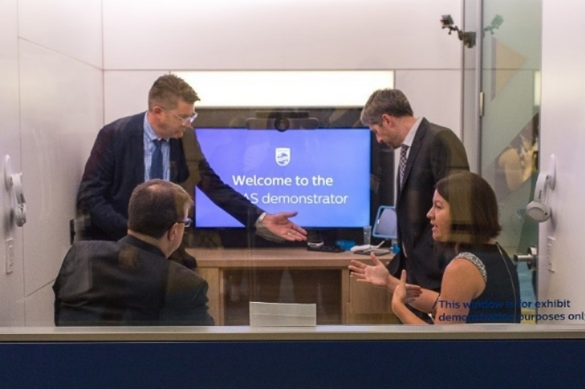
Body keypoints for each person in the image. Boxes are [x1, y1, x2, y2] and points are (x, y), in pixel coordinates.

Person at [77, 74, 307, 267]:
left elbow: (213, 185)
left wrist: (261, 218)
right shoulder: (115, 135)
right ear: (158, 112)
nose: (189, 123)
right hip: (121, 253)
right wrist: (132, 234)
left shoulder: (186, 138)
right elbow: (90, 198)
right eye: (183, 117)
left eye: (191, 116)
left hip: (169, 253)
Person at [350, 89, 469, 296]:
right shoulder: (408, 149)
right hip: (415, 271)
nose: (378, 140)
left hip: (438, 273)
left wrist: (442, 263)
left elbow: (458, 206)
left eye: (376, 131)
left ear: (387, 120)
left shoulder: (440, 139)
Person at [53, 180, 214, 326]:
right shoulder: (184, 284)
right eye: (185, 223)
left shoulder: (79, 257)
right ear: (173, 231)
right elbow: (204, 349)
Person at [391, 172, 521, 324]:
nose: (429, 214)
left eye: (438, 207)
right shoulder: (496, 253)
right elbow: (447, 304)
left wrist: (398, 308)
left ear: (462, 212)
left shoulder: (462, 268)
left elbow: (441, 343)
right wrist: (388, 282)